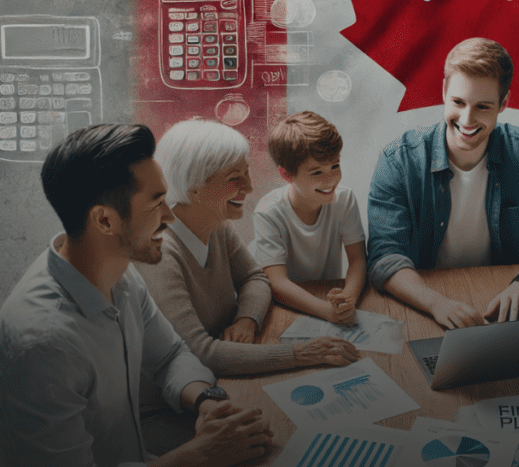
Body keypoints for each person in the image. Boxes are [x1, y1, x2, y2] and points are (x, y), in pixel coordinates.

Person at [0, 124, 272, 466]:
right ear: (105, 220)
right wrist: (203, 453)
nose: (169, 216)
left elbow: (168, 356)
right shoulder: (39, 347)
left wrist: (207, 400)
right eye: (155, 203)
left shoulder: (120, 274)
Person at [136, 119, 360, 455]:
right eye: (235, 178)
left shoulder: (215, 224)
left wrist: (247, 320)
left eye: (247, 173)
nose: (250, 187)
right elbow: (202, 353)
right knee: (284, 442)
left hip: (222, 383)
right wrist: (302, 353)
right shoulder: (160, 253)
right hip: (170, 413)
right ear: (194, 187)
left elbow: (255, 278)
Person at [367, 37, 519, 329]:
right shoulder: (399, 160)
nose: (467, 120)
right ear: (444, 91)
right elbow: (385, 257)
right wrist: (436, 303)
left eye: (483, 107)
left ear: (504, 103)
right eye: (458, 102)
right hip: (422, 300)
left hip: (501, 296)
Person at [251, 111, 366, 326]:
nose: (330, 179)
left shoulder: (344, 199)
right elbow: (278, 284)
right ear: (286, 175)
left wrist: (347, 300)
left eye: (335, 166)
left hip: (325, 297)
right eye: (316, 173)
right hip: (287, 307)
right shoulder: (268, 213)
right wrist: (328, 312)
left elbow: (358, 260)